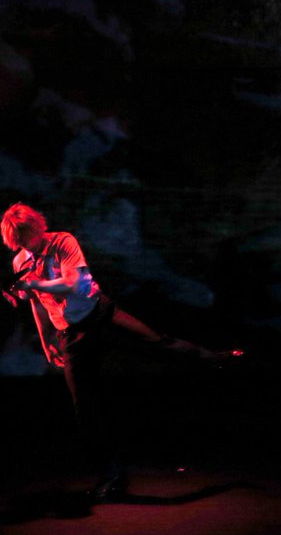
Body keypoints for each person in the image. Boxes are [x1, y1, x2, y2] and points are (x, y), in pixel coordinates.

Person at [1, 202, 241, 500]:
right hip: (71, 333)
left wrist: (35, 283)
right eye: (19, 240)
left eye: (27, 236)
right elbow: (38, 302)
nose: (25, 244)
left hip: (101, 314)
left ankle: (217, 359)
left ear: (38, 226)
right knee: (84, 406)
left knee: (158, 342)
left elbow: (73, 284)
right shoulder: (21, 262)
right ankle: (112, 474)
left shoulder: (63, 242)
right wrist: (45, 339)